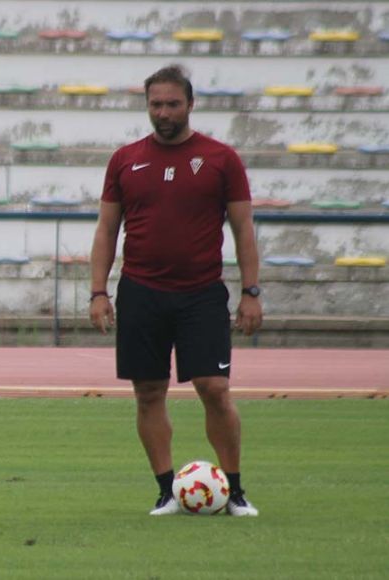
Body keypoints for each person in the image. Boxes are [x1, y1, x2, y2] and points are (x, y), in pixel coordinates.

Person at [88, 65, 263, 517]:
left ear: (190, 104)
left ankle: (235, 490)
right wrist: (98, 292)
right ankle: (167, 491)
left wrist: (251, 291)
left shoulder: (222, 158)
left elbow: (243, 229)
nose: (163, 112)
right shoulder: (126, 159)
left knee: (214, 387)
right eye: (155, 104)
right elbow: (108, 229)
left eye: (172, 103)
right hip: (140, 291)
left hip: (201, 292)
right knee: (148, 392)